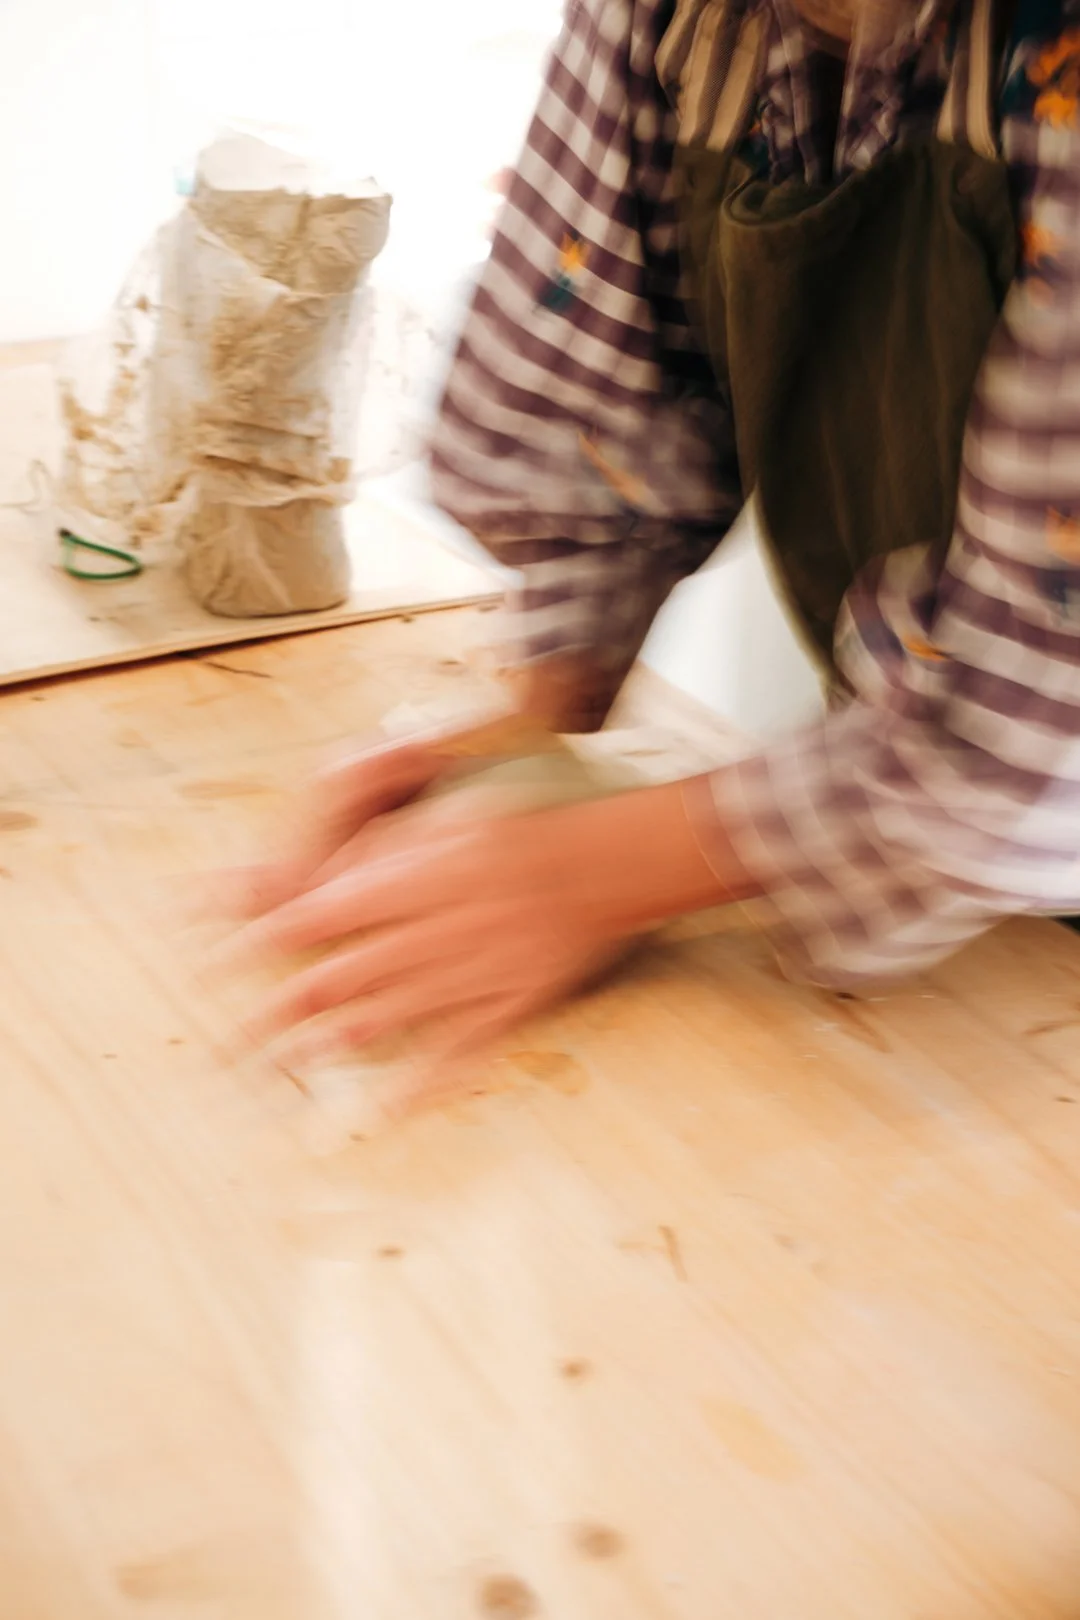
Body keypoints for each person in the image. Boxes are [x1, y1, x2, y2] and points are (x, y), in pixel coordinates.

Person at [222, 0, 1080, 1084]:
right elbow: (583, 412)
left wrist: (590, 873)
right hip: (972, 871)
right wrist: (526, 743)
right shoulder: (673, 18)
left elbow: (1036, 698)